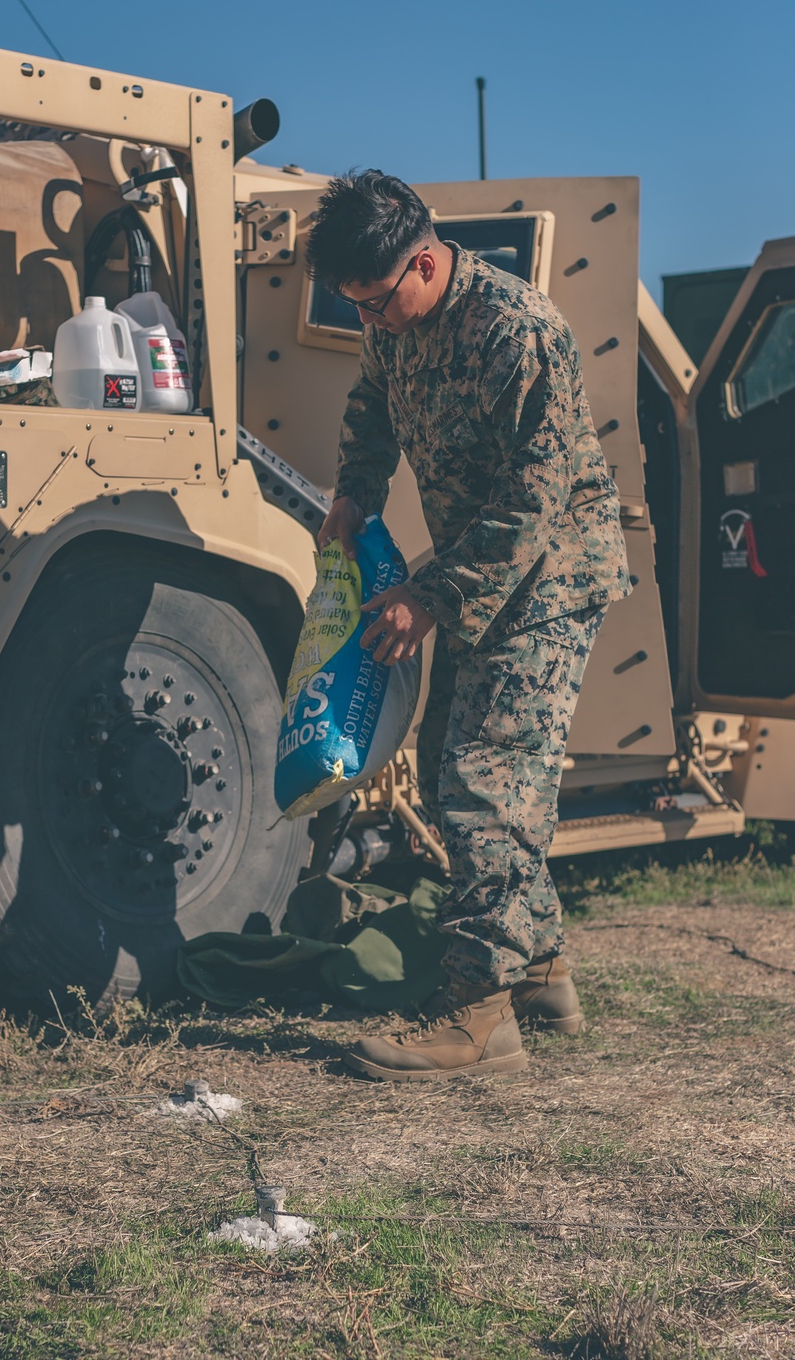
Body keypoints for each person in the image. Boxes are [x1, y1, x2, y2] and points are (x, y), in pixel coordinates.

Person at [307, 171, 631, 1083]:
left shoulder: (516, 330)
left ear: (422, 261)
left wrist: (431, 596)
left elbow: (537, 498)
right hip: (475, 573)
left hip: (549, 576)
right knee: (464, 764)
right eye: (355, 307)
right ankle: (543, 971)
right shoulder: (392, 323)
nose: (370, 323)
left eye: (375, 302)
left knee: (488, 784)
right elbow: (371, 408)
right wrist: (352, 493)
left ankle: (480, 1016)